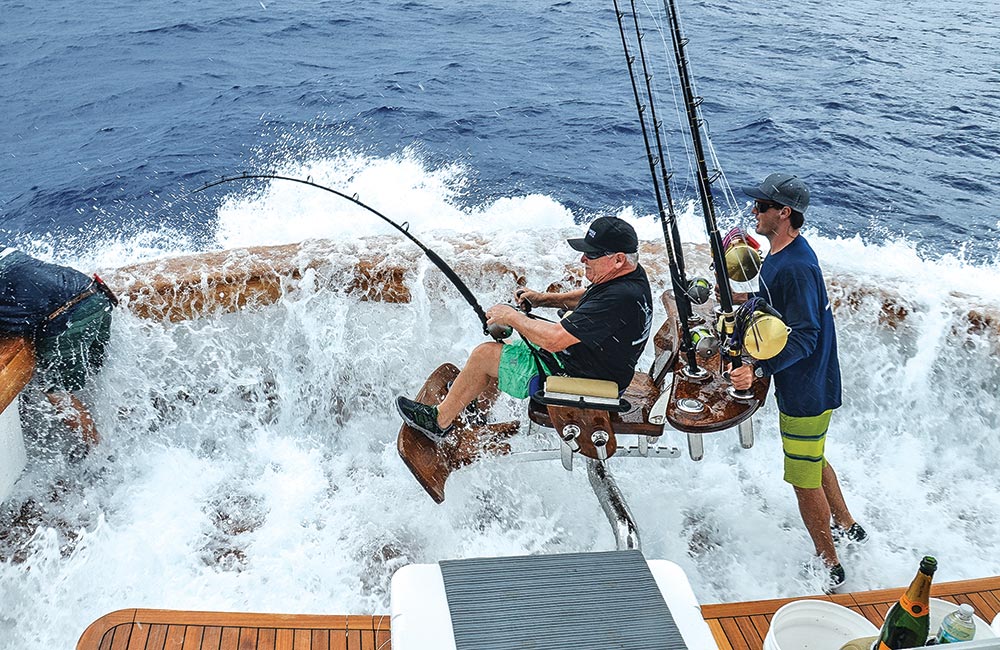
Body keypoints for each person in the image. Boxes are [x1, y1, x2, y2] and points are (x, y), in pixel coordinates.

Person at [396, 216, 653, 442]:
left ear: (618, 259)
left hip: (586, 381)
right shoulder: (631, 276)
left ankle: (438, 423)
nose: (583, 258)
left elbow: (554, 341)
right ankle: (474, 410)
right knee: (506, 348)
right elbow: (589, 297)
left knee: (484, 355)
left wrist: (511, 316)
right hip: (596, 365)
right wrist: (542, 299)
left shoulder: (619, 296)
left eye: (592, 255)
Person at [729, 173, 866, 592]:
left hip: (806, 390)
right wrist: (744, 301)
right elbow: (780, 309)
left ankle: (830, 564)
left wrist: (759, 370)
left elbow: (804, 335)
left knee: (802, 478)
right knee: (814, 456)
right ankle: (847, 525)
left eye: (763, 206)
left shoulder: (798, 267)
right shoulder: (782, 254)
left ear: (784, 213)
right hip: (813, 383)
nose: (755, 211)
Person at [0, 247, 116, 448]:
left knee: (56, 392)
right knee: (96, 373)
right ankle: (123, 416)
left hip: (69, 318)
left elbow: (14, 335)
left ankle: (100, 455)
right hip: (96, 296)